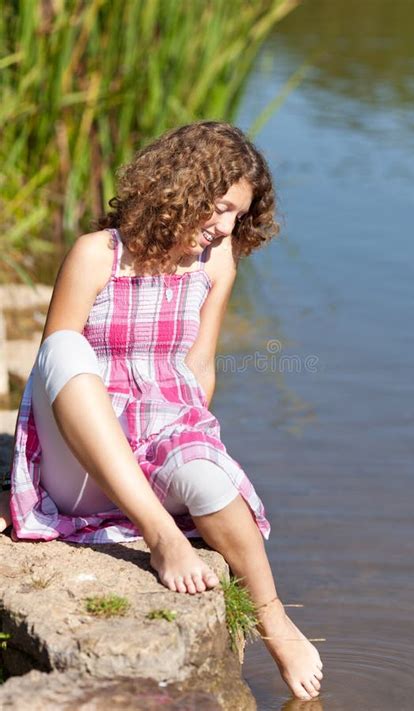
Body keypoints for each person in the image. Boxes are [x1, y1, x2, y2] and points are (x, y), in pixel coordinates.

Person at [0, 121, 323, 701]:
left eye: (237, 214)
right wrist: (30, 481)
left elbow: (199, 369)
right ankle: (161, 536)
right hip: (84, 464)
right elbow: (54, 373)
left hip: (161, 436)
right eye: (220, 207)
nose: (225, 226)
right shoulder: (97, 255)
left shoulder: (215, 263)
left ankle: (274, 620)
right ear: (181, 187)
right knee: (67, 348)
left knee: (208, 475)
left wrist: (198, 448)